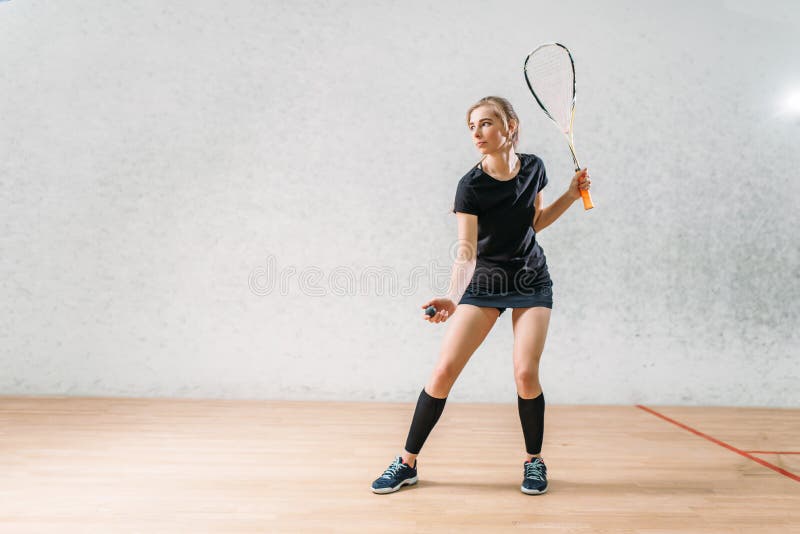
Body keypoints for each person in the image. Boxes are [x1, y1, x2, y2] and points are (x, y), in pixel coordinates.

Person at [371, 96, 591, 495]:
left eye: (487, 123)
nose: (477, 132)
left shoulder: (535, 168)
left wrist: (571, 197)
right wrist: (454, 298)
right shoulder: (470, 187)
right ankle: (406, 463)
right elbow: (467, 252)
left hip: (530, 280)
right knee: (442, 372)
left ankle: (534, 462)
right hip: (484, 282)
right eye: (472, 126)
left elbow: (534, 223)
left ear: (511, 127)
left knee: (525, 373)